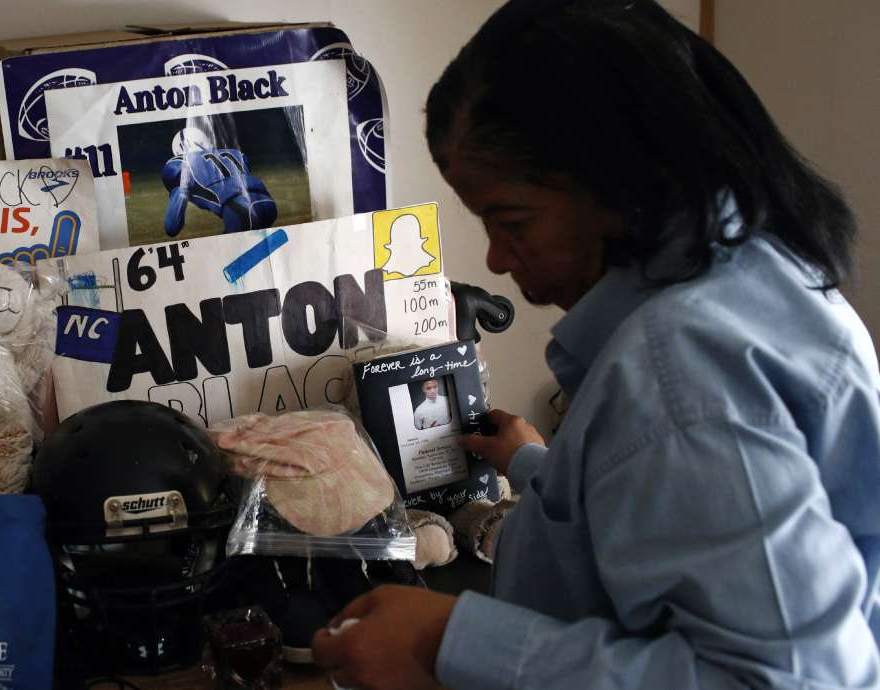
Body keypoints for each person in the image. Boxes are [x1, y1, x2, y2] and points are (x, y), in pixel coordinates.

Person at [311, 1, 880, 689]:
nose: (494, 258)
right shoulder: (764, 272)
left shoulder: (679, 376)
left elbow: (795, 679)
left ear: (620, 179)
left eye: (511, 220)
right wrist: (538, 467)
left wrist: (449, 641)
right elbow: (683, 502)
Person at [161, 127, 278, 237]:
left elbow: (172, 228)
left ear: (180, 148)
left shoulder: (182, 164)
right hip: (268, 203)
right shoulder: (235, 153)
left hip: (239, 211)